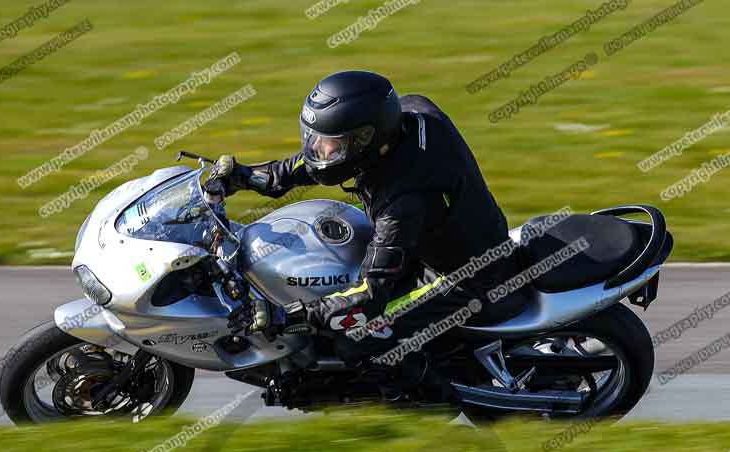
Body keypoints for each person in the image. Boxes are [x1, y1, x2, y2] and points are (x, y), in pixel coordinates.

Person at [209, 70, 529, 369]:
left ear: (365, 141)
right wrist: (244, 177)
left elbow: (371, 295)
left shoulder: (401, 200)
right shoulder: (406, 116)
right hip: (431, 241)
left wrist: (288, 315)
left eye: (329, 145)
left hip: (464, 276)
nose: (319, 149)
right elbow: (313, 164)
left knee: (357, 341)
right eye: (315, 139)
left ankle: (428, 402)